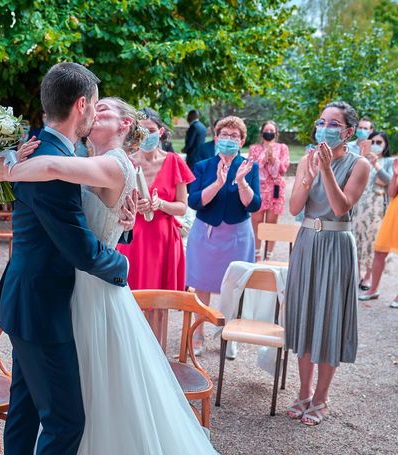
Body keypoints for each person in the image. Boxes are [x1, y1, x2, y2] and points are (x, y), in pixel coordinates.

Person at [0, 97, 328, 455]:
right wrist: (123, 223)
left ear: (124, 126)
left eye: (106, 110)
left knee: (92, 392)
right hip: (68, 292)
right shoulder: (82, 157)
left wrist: (9, 168)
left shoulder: (114, 162)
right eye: (95, 107)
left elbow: (52, 170)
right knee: (73, 392)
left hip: (95, 286)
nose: (96, 111)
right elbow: (84, 209)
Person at [0, 63, 133, 455]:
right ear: (82, 105)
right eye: (95, 105)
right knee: (65, 422)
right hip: (43, 307)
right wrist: (121, 265)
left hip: (28, 300)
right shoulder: (48, 160)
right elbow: (82, 252)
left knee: (26, 409)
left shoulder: (36, 149)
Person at [285, 101, 371, 426]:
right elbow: (295, 206)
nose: (325, 128)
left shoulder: (358, 164)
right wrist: (307, 173)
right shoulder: (308, 158)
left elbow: (339, 207)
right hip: (307, 243)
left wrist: (324, 169)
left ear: (348, 131)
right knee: (306, 316)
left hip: (336, 246)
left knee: (329, 319)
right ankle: (304, 392)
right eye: (322, 122)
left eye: (333, 124)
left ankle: (321, 398)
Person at [186, 116, 261, 355]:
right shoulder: (203, 166)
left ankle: (229, 335)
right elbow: (194, 201)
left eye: (234, 136)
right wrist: (217, 184)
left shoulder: (250, 167)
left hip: (237, 235)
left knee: (234, 287)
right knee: (201, 286)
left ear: (242, 141)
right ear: (216, 138)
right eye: (225, 135)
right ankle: (198, 334)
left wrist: (241, 182)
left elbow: (254, 205)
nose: (229, 139)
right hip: (205, 235)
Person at [117, 106, 194, 291]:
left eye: (151, 131)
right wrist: (134, 206)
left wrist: (160, 204)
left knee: (161, 301)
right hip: (134, 238)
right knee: (132, 299)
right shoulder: (126, 162)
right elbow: (115, 204)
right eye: (141, 131)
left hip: (163, 239)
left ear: (160, 132)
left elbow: (182, 207)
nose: (146, 135)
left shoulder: (174, 161)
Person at [352, 131, 395, 290]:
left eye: (380, 142)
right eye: (373, 142)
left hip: (377, 207)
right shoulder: (360, 161)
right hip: (359, 205)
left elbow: (390, 182)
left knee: (372, 243)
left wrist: (376, 164)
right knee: (356, 239)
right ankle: (357, 274)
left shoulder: (388, 162)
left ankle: (368, 277)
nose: (376, 145)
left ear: (385, 145)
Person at [358, 157, 398, 306]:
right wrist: (395, 175)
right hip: (394, 212)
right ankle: (373, 289)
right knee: (380, 250)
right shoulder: (396, 161)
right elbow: (393, 192)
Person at [248, 121, 290, 260]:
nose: (269, 133)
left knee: (272, 224)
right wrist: (263, 158)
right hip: (259, 189)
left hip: (275, 191)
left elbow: (283, 169)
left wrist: (274, 159)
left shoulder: (282, 148)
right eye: (267, 130)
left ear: (276, 133)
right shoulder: (254, 148)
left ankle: (269, 256)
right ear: (262, 132)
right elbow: (251, 168)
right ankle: (257, 254)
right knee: (257, 222)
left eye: (272, 130)